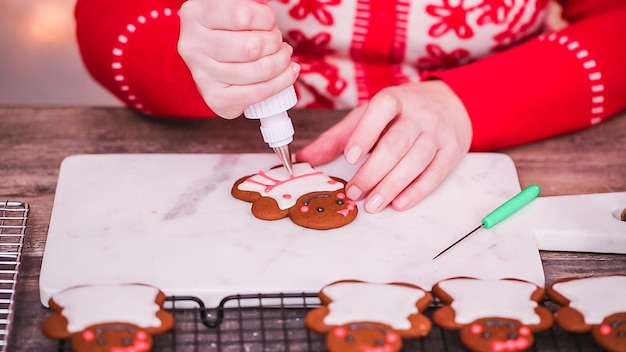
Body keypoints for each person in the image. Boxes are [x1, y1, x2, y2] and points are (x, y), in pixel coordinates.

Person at [74, 0, 626, 214]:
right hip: (235, 131)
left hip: (501, 130)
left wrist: (471, 102)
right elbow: (107, 19)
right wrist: (192, 59)